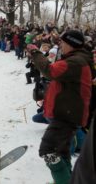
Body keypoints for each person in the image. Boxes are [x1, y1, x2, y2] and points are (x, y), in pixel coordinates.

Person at [27, 30, 93, 184]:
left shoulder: (75, 62)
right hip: (66, 113)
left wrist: (36, 53)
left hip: (66, 115)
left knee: (48, 150)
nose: (60, 45)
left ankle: (64, 181)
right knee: (61, 153)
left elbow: (50, 71)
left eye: (63, 43)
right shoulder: (76, 59)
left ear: (71, 44)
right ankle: (66, 180)